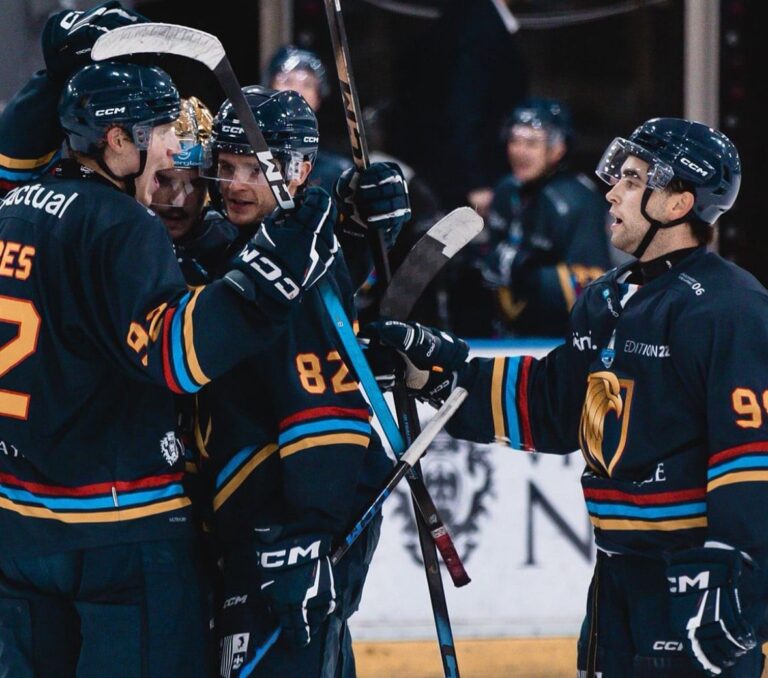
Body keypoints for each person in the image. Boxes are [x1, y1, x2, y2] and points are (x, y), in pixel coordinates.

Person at [363, 118, 768, 677]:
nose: (612, 192)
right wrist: (441, 375)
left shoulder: (730, 308)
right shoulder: (605, 300)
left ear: (677, 204)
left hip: (693, 580)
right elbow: (554, 405)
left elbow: (751, 456)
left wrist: (741, 577)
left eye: (632, 179)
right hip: (614, 580)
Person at [0, 55, 339, 678]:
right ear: (118, 140)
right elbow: (176, 358)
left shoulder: (14, 206)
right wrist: (267, 282)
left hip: (17, 526)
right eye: (160, 132)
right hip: (118, 526)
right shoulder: (122, 224)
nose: (174, 169)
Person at [187, 85, 411, 677]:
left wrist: (304, 539)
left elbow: (325, 417)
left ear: (300, 168)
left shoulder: (296, 266)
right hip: (263, 524)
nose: (235, 184)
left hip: (289, 528)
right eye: (226, 167)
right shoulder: (259, 244)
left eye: (254, 170)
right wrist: (355, 227)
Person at [477, 97, 612, 337]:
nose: (519, 151)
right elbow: (493, 259)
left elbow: (591, 287)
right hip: (509, 333)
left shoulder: (578, 200)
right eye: (515, 140)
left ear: (558, 149)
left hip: (562, 339)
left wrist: (525, 271)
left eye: (531, 143)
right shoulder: (506, 190)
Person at [388, 0, 529, 215]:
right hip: (465, 181)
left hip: (458, 173)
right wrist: (474, 182)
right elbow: (462, 108)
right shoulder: (478, 26)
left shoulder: (473, 18)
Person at [263, 44, 353, 194]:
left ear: (318, 98)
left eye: (307, 84)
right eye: (287, 81)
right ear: (268, 89)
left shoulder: (338, 172)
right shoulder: (245, 155)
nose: (297, 92)